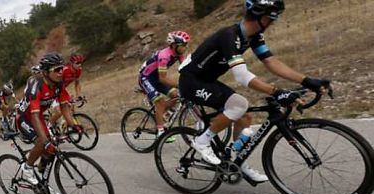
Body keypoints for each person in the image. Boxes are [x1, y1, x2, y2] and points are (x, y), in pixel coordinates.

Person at [179, 0, 329, 183]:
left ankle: (238, 163)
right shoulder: (229, 36)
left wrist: (306, 80)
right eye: (271, 18)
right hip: (191, 81)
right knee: (239, 104)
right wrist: (276, 92)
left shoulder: (254, 36)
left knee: (244, 117)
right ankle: (202, 141)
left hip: (207, 80)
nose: (273, 23)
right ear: (261, 18)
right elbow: (241, 76)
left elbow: (271, 62)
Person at [16, 53, 84, 194]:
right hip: (25, 118)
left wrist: (73, 125)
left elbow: (64, 106)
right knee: (43, 142)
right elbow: (33, 116)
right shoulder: (36, 85)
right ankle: (27, 167)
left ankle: (42, 183)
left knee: (51, 150)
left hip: (38, 116)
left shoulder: (58, 84)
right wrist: (45, 141)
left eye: (62, 68)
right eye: (57, 69)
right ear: (46, 72)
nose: (61, 72)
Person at [138, 31, 190, 139]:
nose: (185, 47)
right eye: (183, 45)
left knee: (176, 95)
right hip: (146, 78)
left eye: (186, 45)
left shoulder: (179, 54)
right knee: (160, 102)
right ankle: (160, 132)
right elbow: (163, 78)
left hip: (156, 78)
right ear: (174, 45)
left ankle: (162, 114)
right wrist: (179, 84)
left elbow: (186, 70)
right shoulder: (164, 56)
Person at [48, 53, 84, 126]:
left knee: (71, 108)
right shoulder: (65, 70)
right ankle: (48, 126)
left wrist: (79, 95)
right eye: (77, 63)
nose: (80, 65)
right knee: (59, 112)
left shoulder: (79, 70)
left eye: (81, 62)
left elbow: (77, 83)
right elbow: (55, 83)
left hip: (62, 90)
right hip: (54, 90)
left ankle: (65, 127)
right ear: (71, 63)